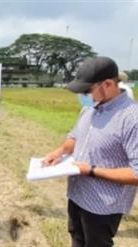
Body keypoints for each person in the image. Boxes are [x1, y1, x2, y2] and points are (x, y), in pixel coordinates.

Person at [43, 56, 138, 247]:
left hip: (103, 206)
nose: (83, 96)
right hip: (77, 194)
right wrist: (59, 151)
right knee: (76, 239)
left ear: (108, 84)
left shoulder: (131, 119)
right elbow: (75, 136)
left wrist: (91, 170)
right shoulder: (89, 108)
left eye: (87, 91)